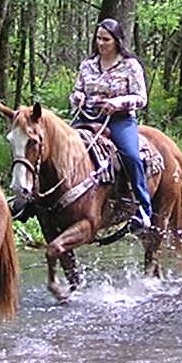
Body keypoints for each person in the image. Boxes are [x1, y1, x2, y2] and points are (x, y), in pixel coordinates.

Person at [69, 18, 153, 231]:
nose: (101, 43)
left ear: (117, 41)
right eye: (98, 38)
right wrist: (77, 97)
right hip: (87, 116)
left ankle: (143, 208)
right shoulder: (87, 65)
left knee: (131, 155)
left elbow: (141, 98)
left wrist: (118, 103)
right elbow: (77, 90)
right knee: (59, 146)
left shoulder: (130, 66)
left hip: (119, 119)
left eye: (106, 39)